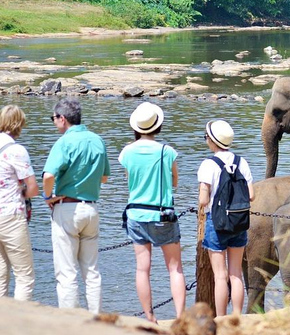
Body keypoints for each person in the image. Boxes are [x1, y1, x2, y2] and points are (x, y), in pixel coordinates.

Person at [43, 98, 110, 314]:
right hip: (91, 208)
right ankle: (96, 318)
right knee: (92, 271)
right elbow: (105, 178)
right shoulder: (98, 140)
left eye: (54, 118)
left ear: (62, 118)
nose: (54, 122)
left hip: (67, 208)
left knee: (66, 271)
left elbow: (49, 175)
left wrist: (48, 197)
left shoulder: (63, 142)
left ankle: (70, 322)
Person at [119, 102, 185, 322]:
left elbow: (129, 179)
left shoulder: (127, 151)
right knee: (175, 269)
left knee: (142, 270)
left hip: (136, 215)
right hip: (163, 215)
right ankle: (179, 317)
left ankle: (149, 316)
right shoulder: (168, 151)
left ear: (136, 127)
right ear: (158, 126)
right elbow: (174, 181)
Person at [197, 119, 255, 316]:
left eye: (206, 137)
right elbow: (251, 195)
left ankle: (221, 318)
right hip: (239, 222)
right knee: (236, 273)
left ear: (212, 141)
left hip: (218, 223)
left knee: (220, 276)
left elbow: (204, 200)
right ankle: (237, 316)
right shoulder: (242, 161)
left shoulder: (209, 164)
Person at [0, 105, 38, 301]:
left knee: (0, 275)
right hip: (11, 215)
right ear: (18, 124)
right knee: (24, 276)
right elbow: (32, 188)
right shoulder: (16, 150)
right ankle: (18, 326)